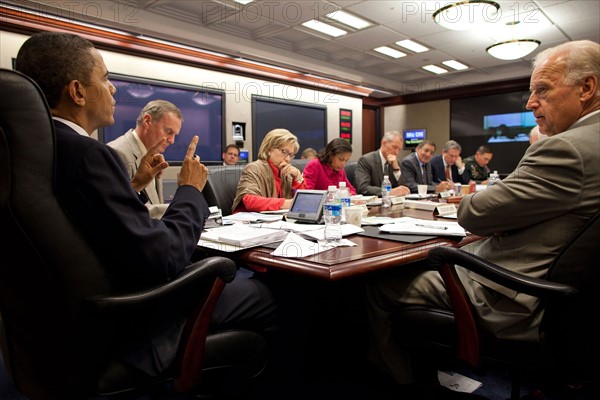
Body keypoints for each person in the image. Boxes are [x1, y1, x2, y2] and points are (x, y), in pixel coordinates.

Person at [15, 31, 278, 379]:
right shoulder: (89, 154)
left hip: (57, 327)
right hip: (132, 316)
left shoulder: (36, 150)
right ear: (77, 91)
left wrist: (135, 184)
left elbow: (101, 225)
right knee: (267, 293)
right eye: (106, 79)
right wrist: (189, 190)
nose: (113, 90)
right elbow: (163, 258)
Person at [366, 40, 600, 398]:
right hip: (569, 297)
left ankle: (399, 384)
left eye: (542, 90)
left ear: (587, 88)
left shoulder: (567, 147)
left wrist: (484, 204)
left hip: (514, 294)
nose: (530, 102)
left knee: (376, 283)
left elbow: (473, 211)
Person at [107, 99, 181, 219]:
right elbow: (123, 211)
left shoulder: (152, 154)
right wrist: (186, 206)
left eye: (174, 135)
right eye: (168, 132)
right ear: (147, 121)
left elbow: (154, 206)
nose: (172, 141)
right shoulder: (118, 153)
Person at [232, 128, 306, 213]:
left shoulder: (287, 173)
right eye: (284, 152)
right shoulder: (254, 168)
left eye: (291, 155)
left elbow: (304, 203)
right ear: (269, 149)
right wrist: (287, 203)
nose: (288, 159)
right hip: (247, 222)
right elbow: (250, 201)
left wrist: (298, 177)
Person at [355, 131, 411, 196]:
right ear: (383, 143)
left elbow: (403, 188)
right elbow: (363, 188)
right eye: (395, 147)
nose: (396, 152)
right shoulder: (366, 160)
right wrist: (388, 192)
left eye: (399, 149)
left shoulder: (396, 162)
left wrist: (396, 170)